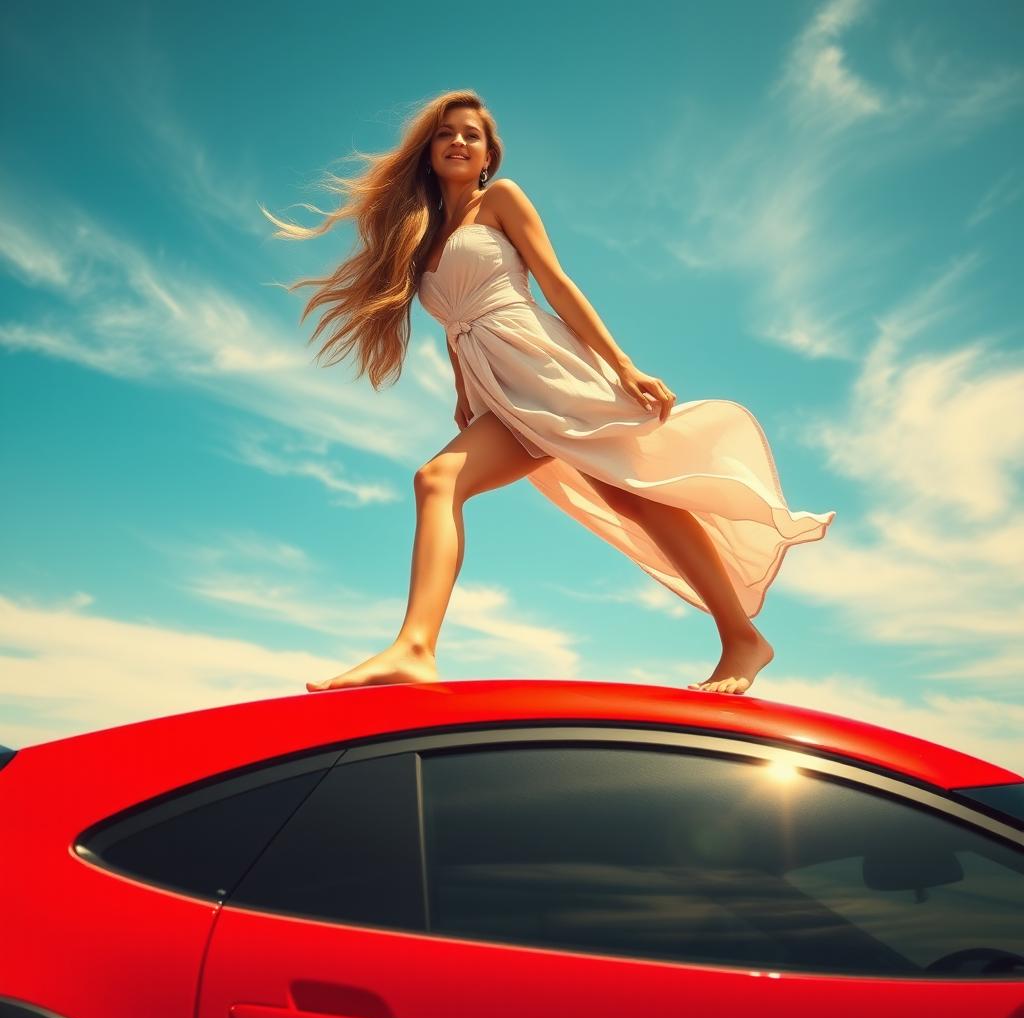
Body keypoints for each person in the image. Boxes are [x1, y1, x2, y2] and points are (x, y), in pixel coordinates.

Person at [260, 90, 836, 697]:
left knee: (632, 492)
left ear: (488, 156)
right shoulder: (422, 238)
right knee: (443, 482)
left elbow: (556, 284)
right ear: (428, 153)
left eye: (471, 135)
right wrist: (464, 392)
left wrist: (623, 366)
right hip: (496, 388)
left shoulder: (500, 201)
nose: (458, 141)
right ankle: (415, 648)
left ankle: (740, 638)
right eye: (445, 134)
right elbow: (457, 323)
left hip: (546, 365)